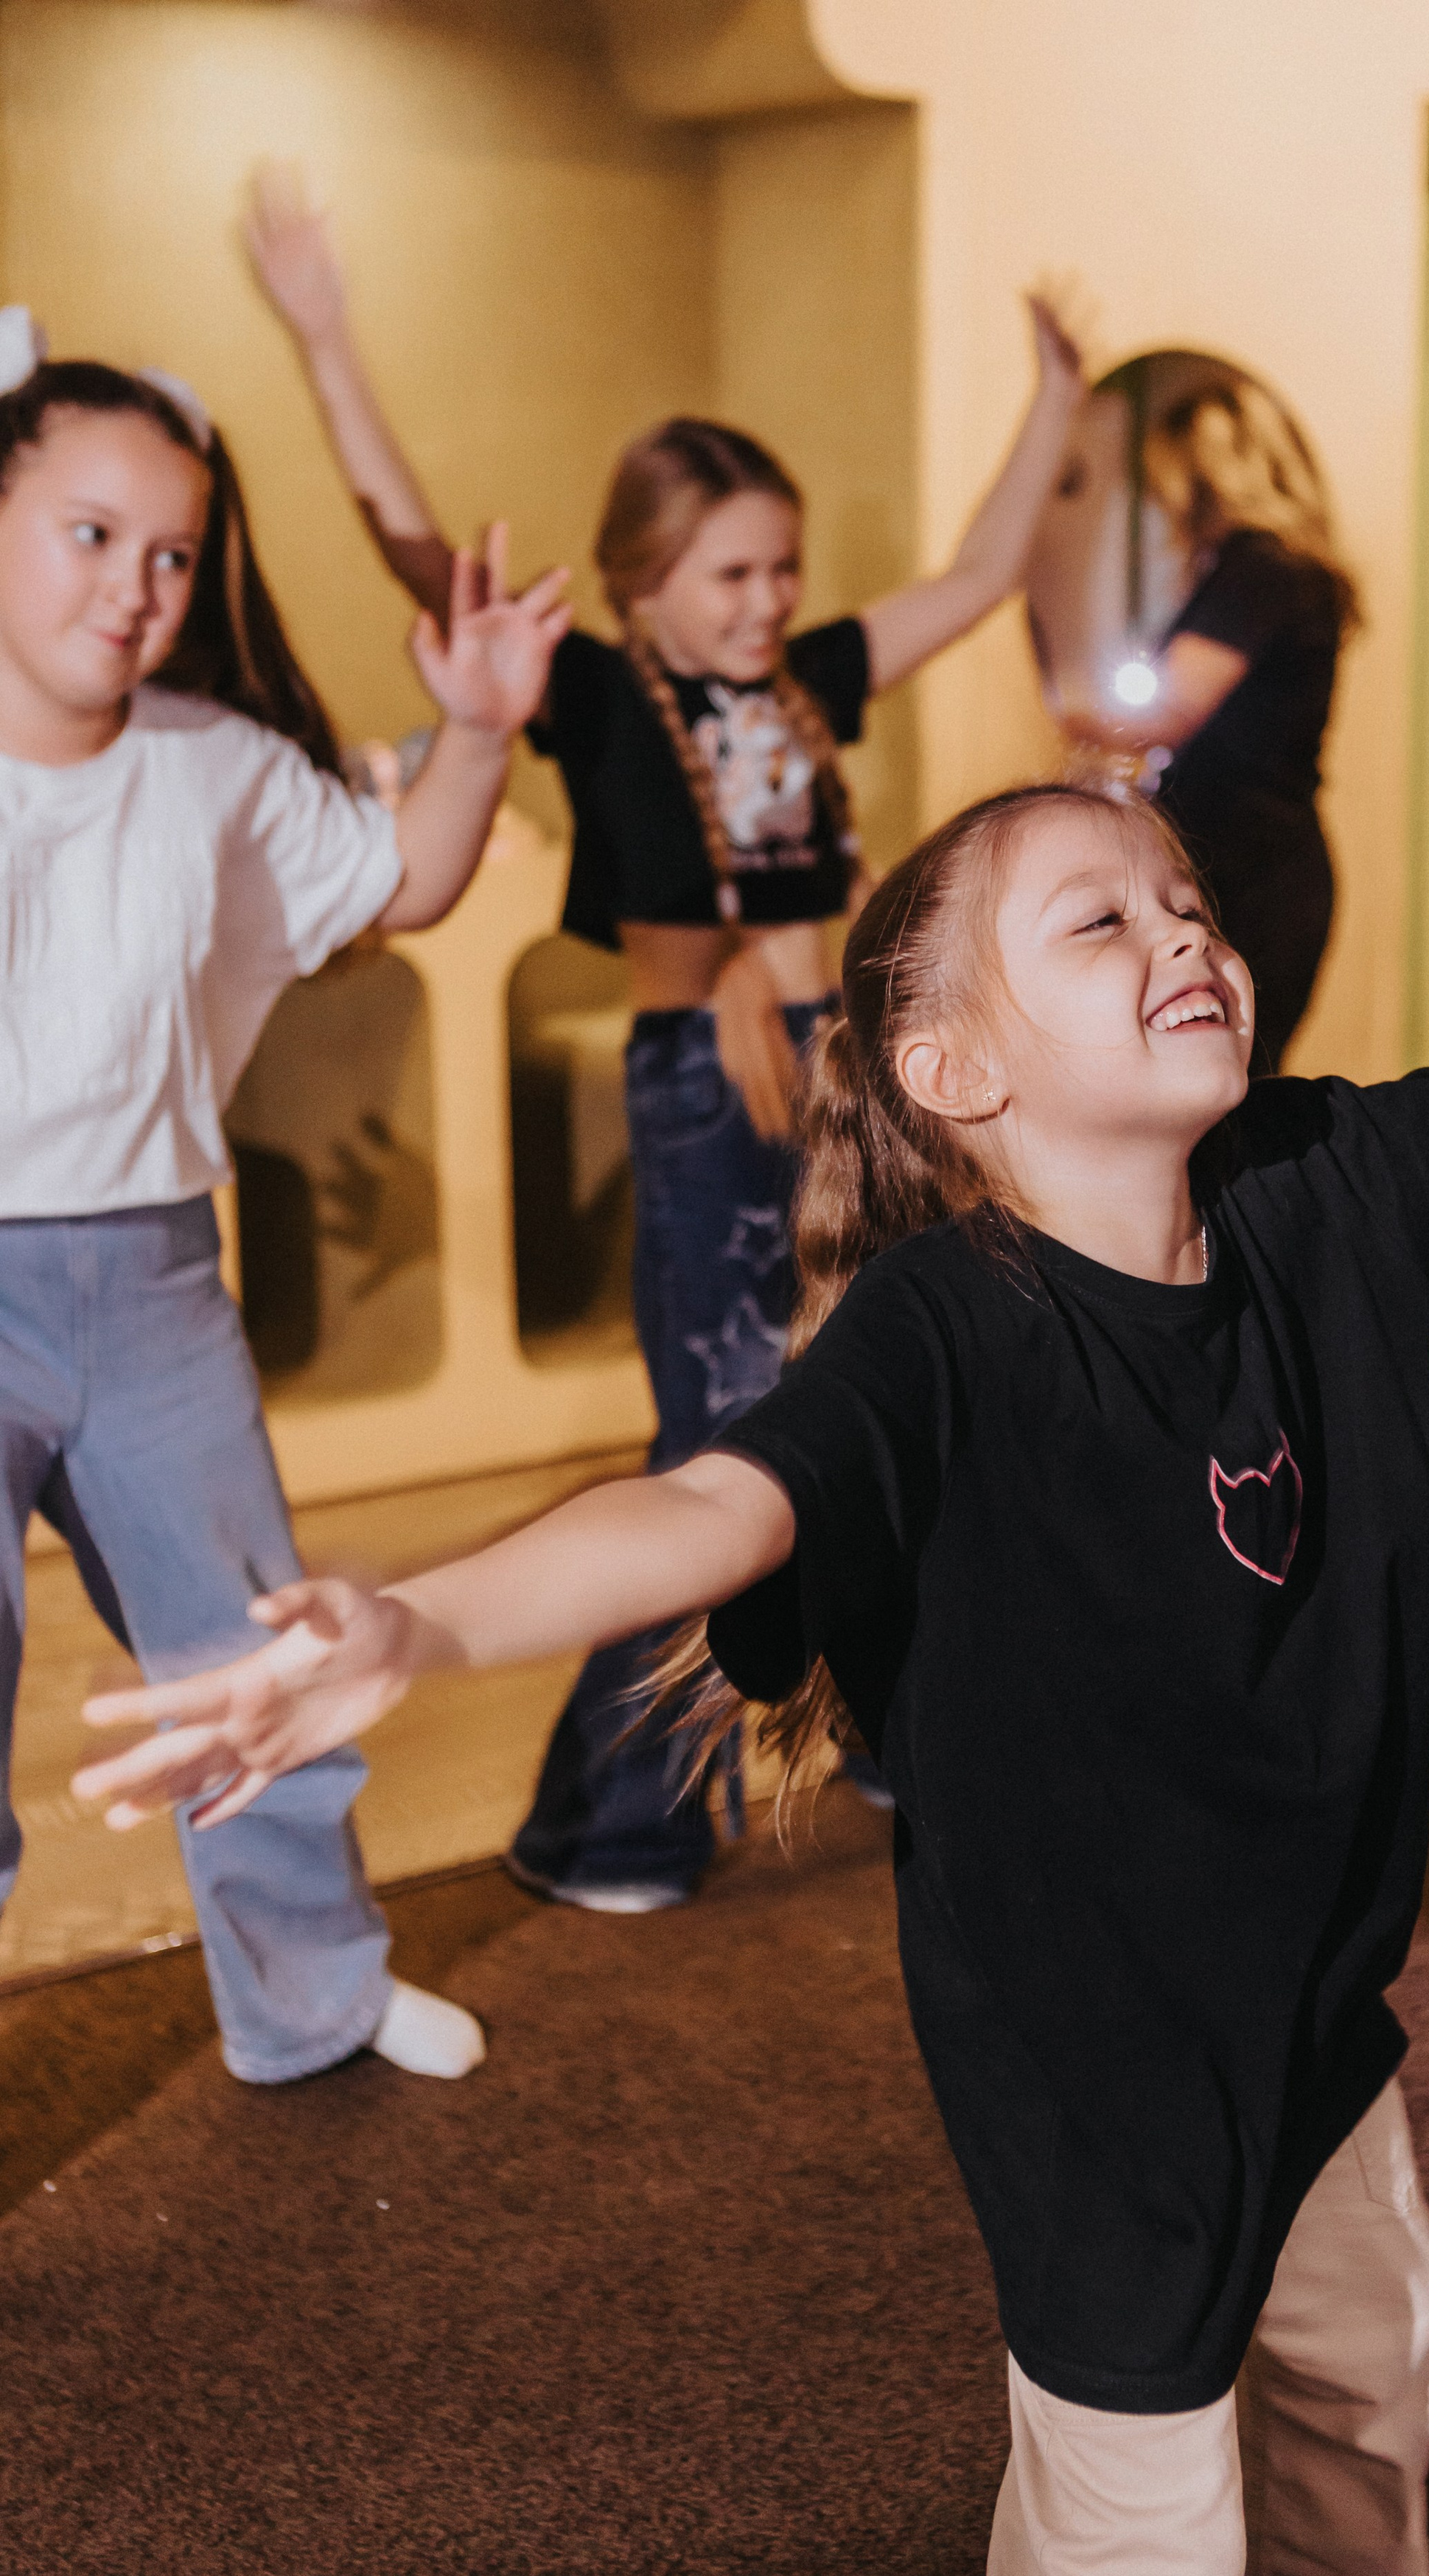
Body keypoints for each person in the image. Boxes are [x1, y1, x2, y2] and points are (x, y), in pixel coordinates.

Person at [74, 780, 1429, 2576]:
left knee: (1377, 2341)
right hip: (1097, 2055)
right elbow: (708, 1505)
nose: (1183, 936)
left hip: (1307, 1977)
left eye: (1184, 902)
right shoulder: (944, 1333)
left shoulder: (1327, 1169)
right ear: (955, 1070)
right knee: (1133, 2575)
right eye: (1099, 929)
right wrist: (413, 1627)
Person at [243, 169, 1087, 1916]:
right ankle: (602, 1814)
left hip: (842, 1077)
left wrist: (1058, 397)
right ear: (643, 574)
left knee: (878, 1403)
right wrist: (324, 332)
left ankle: (866, 1718)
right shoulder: (602, 693)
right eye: (728, 569)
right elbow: (417, 545)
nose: (767, 596)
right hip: (705, 1095)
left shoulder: (808, 686)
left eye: (781, 565)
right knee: (723, 1442)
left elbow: (982, 571)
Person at [0, 328, 570, 2086]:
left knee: (260, 1653)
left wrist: (478, 725)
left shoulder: (212, 764)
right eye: (90, 534)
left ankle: (309, 1994)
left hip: (156, 1272)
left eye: (171, 553)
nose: (137, 589)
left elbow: (401, 874)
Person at [1053, 372, 1357, 1065]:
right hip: (1260, 862)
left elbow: (1166, 713)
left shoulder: (1260, 570)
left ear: (1201, 473)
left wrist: (1068, 708)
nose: (1162, 500)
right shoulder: (1267, 570)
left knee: (1229, 1089)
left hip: (1255, 876)